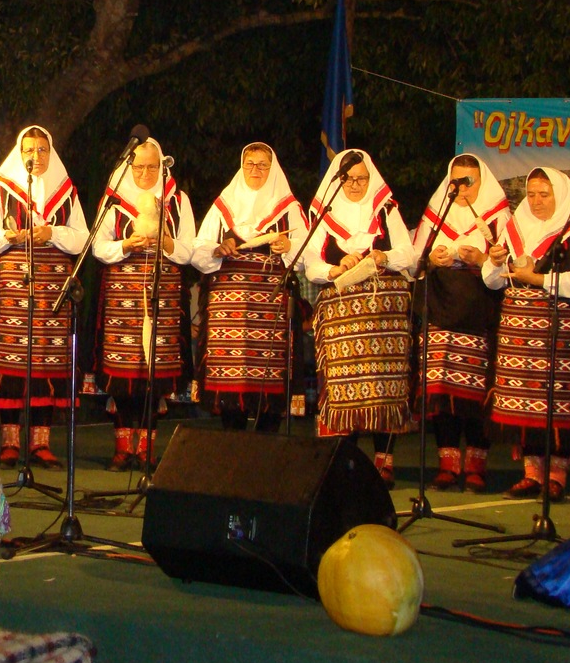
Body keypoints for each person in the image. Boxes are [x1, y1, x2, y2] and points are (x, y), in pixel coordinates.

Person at [0, 126, 88, 469]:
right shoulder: (3, 188)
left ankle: (41, 442)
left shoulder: (65, 193)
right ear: (19, 153)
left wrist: (52, 232)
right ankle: (9, 441)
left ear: (50, 153)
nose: (34, 157)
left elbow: (82, 239)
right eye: (29, 150)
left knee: (46, 362)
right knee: (11, 361)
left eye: (41, 150)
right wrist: (8, 236)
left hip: (53, 286)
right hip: (12, 286)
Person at [302, 149, 416, 488]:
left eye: (362, 179)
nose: (355, 185)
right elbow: (311, 264)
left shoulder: (386, 210)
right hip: (342, 317)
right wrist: (336, 268)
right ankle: (345, 463)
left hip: (385, 315)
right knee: (344, 389)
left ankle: (384, 463)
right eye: (349, 179)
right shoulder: (322, 215)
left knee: (385, 386)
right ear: (338, 180)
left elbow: (408, 254)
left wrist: (384, 255)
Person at [483, 166, 570, 501]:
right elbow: (492, 280)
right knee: (523, 400)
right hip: (517, 325)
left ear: (559, 195)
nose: (536, 201)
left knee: (555, 400)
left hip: (557, 326)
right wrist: (493, 261)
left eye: (544, 194)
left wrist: (541, 281)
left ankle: (557, 475)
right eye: (531, 194)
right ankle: (532, 473)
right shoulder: (515, 227)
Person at [92, 138, 195, 470]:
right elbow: (98, 247)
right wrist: (125, 244)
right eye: (140, 167)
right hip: (122, 298)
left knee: (155, 372)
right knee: (122, 375)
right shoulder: (114, 202)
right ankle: (123, 448)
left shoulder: (177, 202)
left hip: (162, 295)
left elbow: (189, 250)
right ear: (129, 167)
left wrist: (167, 242)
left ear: (162, 167)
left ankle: (147, 447)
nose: (146, 173)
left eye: (153, 167)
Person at [191, 143, 307, 433]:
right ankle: (234, 445)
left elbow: (308, 254)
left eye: (262, 164)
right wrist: (218, 248)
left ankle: (264, 445)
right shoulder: (223, 206)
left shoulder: (288, 207)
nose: (255, 170)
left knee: (269, 379)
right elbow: (198, 250)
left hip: (270, 304)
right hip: (226, 308)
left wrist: (289, 246)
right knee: (230, 383)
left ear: (273, 168)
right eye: (250, 164)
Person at [411, 155, 510, 491]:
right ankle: (448, 463)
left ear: (481, 181)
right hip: (441, 308)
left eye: (469, 181)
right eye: (456, 182)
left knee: (478, 391)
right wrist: (432, 260)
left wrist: (482, 259)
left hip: (481, 311)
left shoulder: (499, 216)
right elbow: (416, 261)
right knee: (441, 389)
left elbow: (510, 265)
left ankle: (477, 465)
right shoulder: (436, 214)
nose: (462, 189)